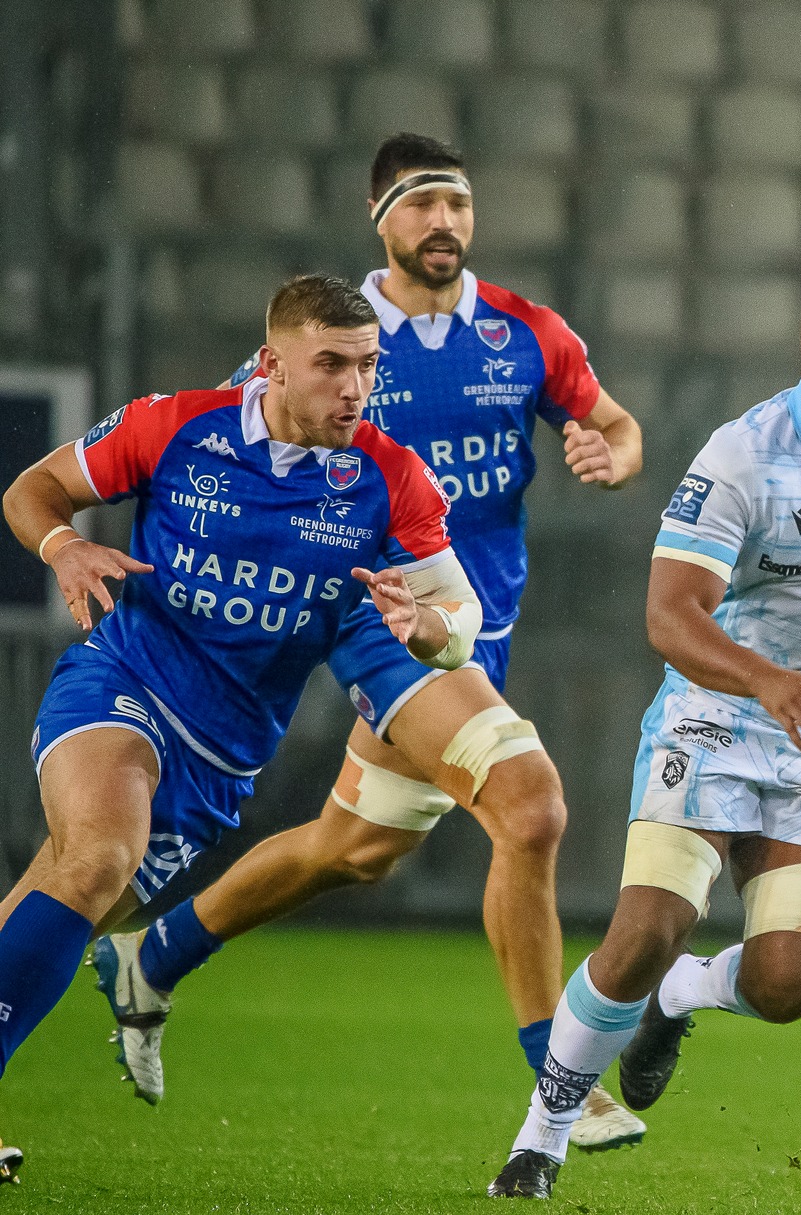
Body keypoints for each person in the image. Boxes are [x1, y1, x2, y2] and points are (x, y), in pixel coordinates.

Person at [92, 134, 649, 1151]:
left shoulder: (524, 334)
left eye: (458, 205)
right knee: (528, 810)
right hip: (384, 624)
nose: (443, 224)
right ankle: (561, 1079)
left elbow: (615, 423)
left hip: (477, 629)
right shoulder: (327, 336)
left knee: (354, 849)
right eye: (419, 204)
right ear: (378, 218)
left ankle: (152, 957)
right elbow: (229, 434)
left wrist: (605, 451)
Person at [486, 268, 801, 1199]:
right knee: (645, 928)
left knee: (789, 986)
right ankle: (543, 1136)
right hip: (714, 716)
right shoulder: (744, 455)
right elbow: (670, 616)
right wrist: (766, 680)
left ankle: (683, 995)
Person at [0, 277, 471, 1145]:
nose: (354, 388)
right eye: (330, 364)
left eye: (367, 366)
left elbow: (461, 620)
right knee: (100, 855)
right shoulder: (174, 424)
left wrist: (428, 628)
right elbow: (32, 488)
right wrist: (65, 547)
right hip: (124, 684)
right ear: (272, 364)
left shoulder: (389, 475)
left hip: (223, 759)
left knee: (64, 895)